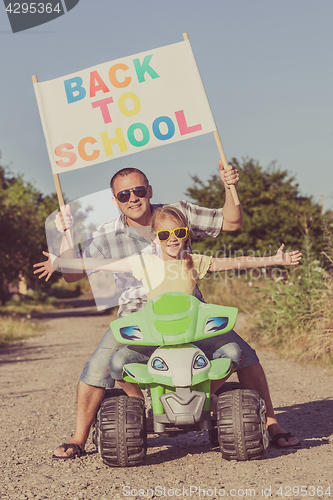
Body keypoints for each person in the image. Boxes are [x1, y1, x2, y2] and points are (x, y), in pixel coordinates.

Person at [34, 163, 300, 458]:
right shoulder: (110, 236)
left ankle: (269, 424)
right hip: (137, 320)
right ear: (115, 200)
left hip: (192, 319)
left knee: (244, 356)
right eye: (124, 195)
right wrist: (65, 235)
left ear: (149, 191)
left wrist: (229, 186)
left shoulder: (177, 216)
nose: (132, 198)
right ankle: (80, 437)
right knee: (101, 365)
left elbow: (232, 223)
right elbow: (74, 272)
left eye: (138, 190)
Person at [36, 205, 302, 403]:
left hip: (194, 336)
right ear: (155, 237)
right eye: (165, 235)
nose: (173, 238)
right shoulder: (144, 263)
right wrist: (61, 260)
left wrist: (274, 259)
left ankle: (205, 396)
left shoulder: (194, 262)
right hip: (157, 337)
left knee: (233, 354)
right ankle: (139, 403)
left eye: (179, 232)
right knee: (117, 364)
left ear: (186, 234)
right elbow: (95, 263)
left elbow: (237, 262)